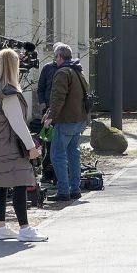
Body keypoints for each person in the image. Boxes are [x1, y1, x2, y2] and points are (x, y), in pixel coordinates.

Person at [0, 48, 47, 242]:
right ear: (12, 67)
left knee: (0, 185)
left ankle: (1, 227)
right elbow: (18, 124)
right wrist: (31, 147)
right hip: (11, 146)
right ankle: (24, 229)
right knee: (20, 183)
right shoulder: (8, 94)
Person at [44, 44, 90, 202]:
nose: (54, 60)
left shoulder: (62, 72)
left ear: (59, 57)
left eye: (55, 57)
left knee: (57, 155)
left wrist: (50, 115)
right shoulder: (78, 70)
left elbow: (58, 97)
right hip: (80, 119)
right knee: (73, 154)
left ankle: (64, 190)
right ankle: (75, 189)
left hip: (66, 120)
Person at [36, 43, 67, 115]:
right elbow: (40, 88)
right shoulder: (47, 68)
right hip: (48, 106)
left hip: (64, 108)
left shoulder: (68, 69)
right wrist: (42, 103)